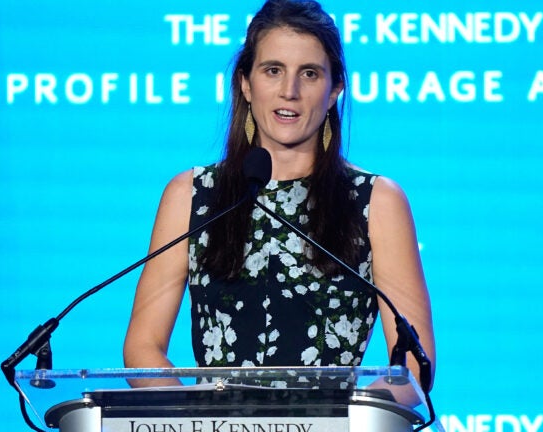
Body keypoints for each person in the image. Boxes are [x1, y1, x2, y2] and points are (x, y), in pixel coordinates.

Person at [123, 0, 435, 395]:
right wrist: (194, 416)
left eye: (309, 73)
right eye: (273, 70)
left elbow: (414, 363)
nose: (290, 92)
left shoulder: (377, 201)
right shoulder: (192, 195)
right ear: (246, 83)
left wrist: (346, 419)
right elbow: (143, 347)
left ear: (335, 89)